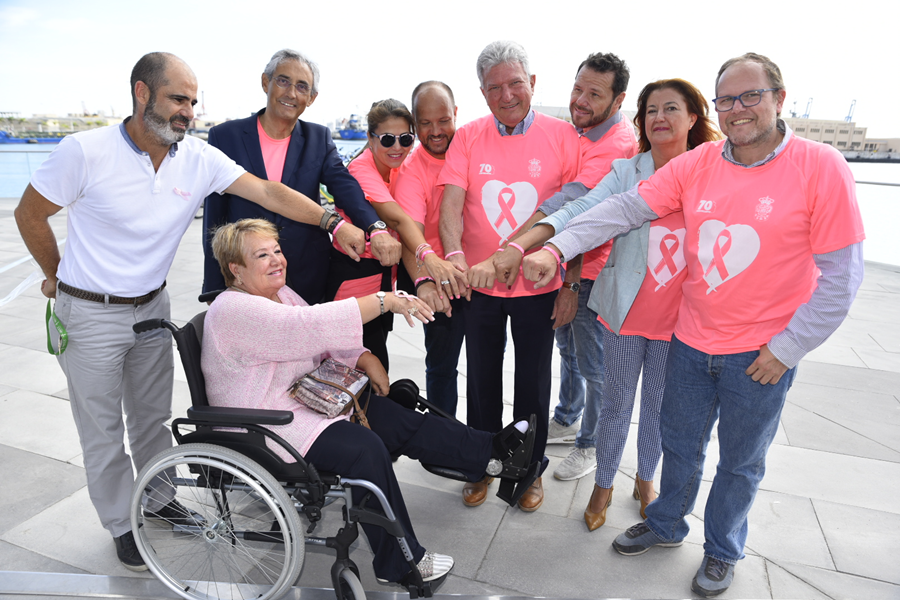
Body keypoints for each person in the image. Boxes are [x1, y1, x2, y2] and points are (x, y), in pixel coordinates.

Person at [522, 53, 865, 597]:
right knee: (679, 446)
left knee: (740, 462)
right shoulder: (699, 163)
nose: (738, 108)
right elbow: (623, 209)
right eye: (727, 98)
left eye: (750, 95)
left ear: (779, 98)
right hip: (689, 341)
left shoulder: (821, 166)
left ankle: (722, 550)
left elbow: (841, 278)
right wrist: (557, 248)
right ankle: (665, 524)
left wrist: (787, 348)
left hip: (760, 355)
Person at [13, 52, 367, 572]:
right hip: (89, 314)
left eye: (193, 102)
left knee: (151, 419)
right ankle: (121, 523)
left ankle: (156, 500)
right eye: (178, 99)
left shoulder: (197, 157)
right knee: (102, 430)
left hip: (151, 308)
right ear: (142, 93)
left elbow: (268, 192)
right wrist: (57, 275)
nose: (188, 112)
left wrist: (332, 223)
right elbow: (29, 213)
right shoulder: (84, 151)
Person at [203, 218, 537, 585]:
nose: (276, 260)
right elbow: (309, 326)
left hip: (302, 404)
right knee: (365, 449)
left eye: (277, 251)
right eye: (262, 255)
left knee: (392, 416)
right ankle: (400, 564)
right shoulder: (234, 309)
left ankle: (493, 453)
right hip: (267, 423)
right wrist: (384, 301)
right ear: (235, 269)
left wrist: (363, 357)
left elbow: (317, 336)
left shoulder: (278, 294)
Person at [514, 78, 720, 527]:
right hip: (625, 313)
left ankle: (646, 480)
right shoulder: (627, 172)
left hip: (681, 320)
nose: (659, 118)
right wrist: (544, 244)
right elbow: (585, 209)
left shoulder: (711, 171)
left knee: (659, 408)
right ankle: (603, 484)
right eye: (651, 110)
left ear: (693, 117)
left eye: (671, 108)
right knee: (616, 404)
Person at [439, 40, 582, 512]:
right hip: (479, 284)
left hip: (539, 285)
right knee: (481, 378)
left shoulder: (564, 136)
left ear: (532, 83)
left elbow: (578, 213)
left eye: (515, 83)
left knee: (533, 383)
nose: (507, 95)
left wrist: (571, 284)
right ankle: (482, 462)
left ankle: (528, 469)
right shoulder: (468, 136)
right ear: (482, 93)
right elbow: (451, 205)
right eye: (494, 88)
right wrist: (455, 257)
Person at [492, 52, 638, 481]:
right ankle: (567, 416)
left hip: (594, 270)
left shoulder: (616, 144)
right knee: (568, 351)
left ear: (618, 100)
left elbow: (571, 204)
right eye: (577, 89)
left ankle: (590, 443)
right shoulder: (581, 132)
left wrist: (512, 247)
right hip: (563, 262)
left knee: (594, 365)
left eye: (595, 94)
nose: (581, 101)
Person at [201, 49, 400, 305]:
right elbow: (214, 217)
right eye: (283, 81)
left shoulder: (318, 138)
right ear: (265, 82)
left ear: (312, 98)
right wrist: (214, 286)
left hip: (307, 270)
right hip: (246, 274)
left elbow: (345, 186)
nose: (291, 93)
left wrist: (376, 227)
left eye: (302, 86)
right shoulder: (225, 136)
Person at [325, 99, 464, 372]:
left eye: (405, 139)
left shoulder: (401, 168)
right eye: (388, 139)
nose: (397, 147)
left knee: (375, 360)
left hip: (385, 277)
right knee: (354, 365)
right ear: (370, 138)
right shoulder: (362, 169)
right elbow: (398, 219)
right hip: (354, 275)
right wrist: (429, 257)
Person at [392, 81, 464, 415]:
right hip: (434, 278)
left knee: (489, 360)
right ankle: (443, 434)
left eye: (443, 120)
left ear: (456, 114)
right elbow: (410, 234)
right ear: (414, 123)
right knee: (442, 366)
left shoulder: (470, 150)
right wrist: (423, 283)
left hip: (479, 273)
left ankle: (483, 436)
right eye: (425, 123)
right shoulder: (410, 171)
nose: (436, 131)